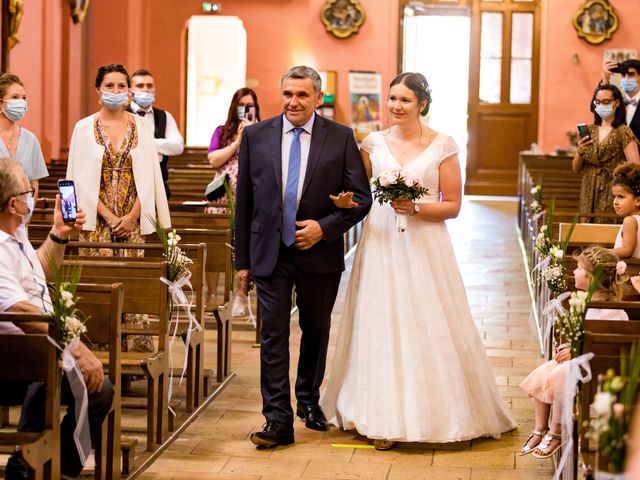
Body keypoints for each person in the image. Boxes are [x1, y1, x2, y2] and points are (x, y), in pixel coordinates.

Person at [321, 72, 516, 451]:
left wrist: (416, 207)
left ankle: (434, 412)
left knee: (424, 320)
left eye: (405, 100)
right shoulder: (372, 143)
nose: (396, 106)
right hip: (380, 243)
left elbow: (453, 206)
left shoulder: (443, 145)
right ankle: (379, 415)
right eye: (392, 98)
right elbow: (362, 195)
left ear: (422, 104)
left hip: (425, 244)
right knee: (379, 322)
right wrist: (347, 202)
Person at [234, 65, 372, 448]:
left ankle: (308, 401)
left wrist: (324, 228)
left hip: (319, 253)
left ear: (318, 97)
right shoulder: (256, 136)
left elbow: (361, 199)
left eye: (303, 95)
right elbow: (243, 202)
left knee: (316, 330)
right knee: (273, 335)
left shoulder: (341, 137)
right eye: (288, 94)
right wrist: (241, 262)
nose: (294, 102)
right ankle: (276, 418)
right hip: (269, 252)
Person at [0, 158, 113, 479]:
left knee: (95, 386)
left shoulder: (16, 234)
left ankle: (41, 463)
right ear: (13, 204)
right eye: (29, 191)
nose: (34, 195)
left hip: (37, 354)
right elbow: (20, 311)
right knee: (96, 388)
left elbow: (40, 270)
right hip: (13, 364)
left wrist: (59, 234)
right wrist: (75, 348)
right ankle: (31, 462)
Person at [66, 63, 171, 353]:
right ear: (98, 91)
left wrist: (131, 216)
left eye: (121, 86)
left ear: (128, 91)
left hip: (132, 222)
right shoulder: (83, 128)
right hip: (96, 222)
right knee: (99, 287)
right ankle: (96, 353)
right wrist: (110, 217)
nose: (115, 91)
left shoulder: (141, 126)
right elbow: (76, 177)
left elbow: (150, 176)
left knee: (131, 285)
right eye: (109, 86)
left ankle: (133, 356)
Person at [519, 246, 628, 459]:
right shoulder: (586, 303)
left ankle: (556, 432)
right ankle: (539, 429)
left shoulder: (613, 311)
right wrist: (570, 347)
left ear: (590, 276)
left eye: (578, 268)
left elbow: (607, 352)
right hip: (581, 364)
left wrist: (576, 351)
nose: (574, 272)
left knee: (559, 374)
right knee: (544, 372)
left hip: (595, 376)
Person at [205, 87, 261, 310]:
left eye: (250, 105)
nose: (246, 109)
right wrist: (237, 141)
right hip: (221, 198)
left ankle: (240, 295)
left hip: (250, 199)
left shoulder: (263, 131)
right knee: (216, 248)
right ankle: (211, 295)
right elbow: (213, 160)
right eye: (242, 105)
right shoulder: (222, 131)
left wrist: (251, 134)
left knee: (243, 246)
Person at [573, 84, 639, 223]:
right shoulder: (589, 130)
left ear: (616, 103)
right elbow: (576, 168)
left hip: (611, 189)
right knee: (586, 229)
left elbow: (635, 166)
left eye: (606, 102)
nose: (601, 105)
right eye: (598, 102)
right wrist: (580, 151)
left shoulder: (623, 131)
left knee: (606, 229)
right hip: (588, 188)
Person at [129, 68, 184, 200]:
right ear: (131, 91)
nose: (145, 89)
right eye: (140, 86)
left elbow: (178, 146)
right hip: (128, 186)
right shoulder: (121, 114)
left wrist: (144, 143)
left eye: (149, 86)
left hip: (158, 186)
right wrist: (160, 148)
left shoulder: (165, 116)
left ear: (154, 90)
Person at [0, 73, 48, 210]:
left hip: (20, 218)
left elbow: (34, 183)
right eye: (15, 97)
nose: (21, 102)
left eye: (24, 98)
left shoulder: (30, 140)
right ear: (1, 102)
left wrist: (27, 214)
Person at [602, 59, 640, 141]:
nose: (626, 79)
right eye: (623, 75)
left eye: (631, 74)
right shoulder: (617, 102)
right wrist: (605, 80)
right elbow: (596, 108)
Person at [611, 162, 640, 259]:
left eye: (620, 197)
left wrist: (600, 252)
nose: (615, 202)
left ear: (638, 200)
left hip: (630, 272)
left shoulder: (630, 221)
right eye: (614, 197)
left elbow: (627, 250)